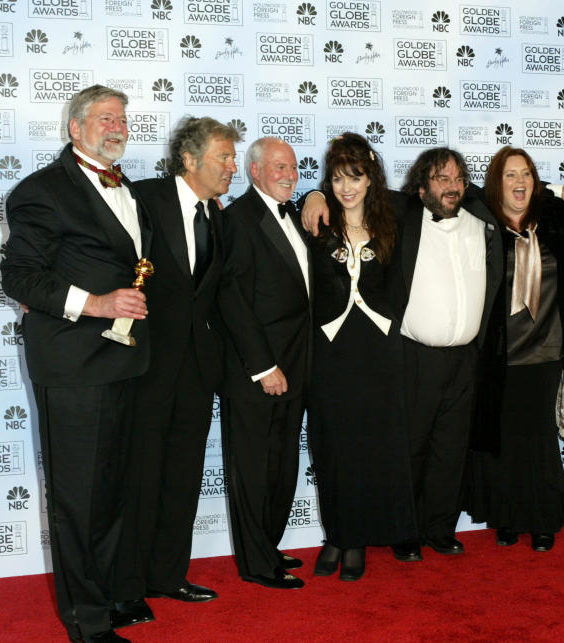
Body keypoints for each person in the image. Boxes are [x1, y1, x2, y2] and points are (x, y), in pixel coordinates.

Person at [301, 149, 564, 560]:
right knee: (411, 447)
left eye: (456, 179)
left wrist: (556, 188)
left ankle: (440, 528)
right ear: (421, 185)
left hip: (469, 358)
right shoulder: (404, 211)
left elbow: (514, 188)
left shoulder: (478, 212)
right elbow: (356, 193)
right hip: (416, 354)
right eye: (440, 179)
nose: (450, 186)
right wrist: (316, 194)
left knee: (451, 450)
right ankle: (406, 531)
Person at [1, 84, 150, 643]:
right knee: (78, 499)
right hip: (73, 367)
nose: (117, 126)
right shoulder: (41, 191)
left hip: (124, 364)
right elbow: (18, 276)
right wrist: (95, 304)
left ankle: (107, 597)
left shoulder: (127, 187)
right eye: (105, 117)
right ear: (76, 127)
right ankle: (86, 621)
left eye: (123, 118)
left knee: (111, 493)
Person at [114, 117, 241, 618]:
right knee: (138, 478)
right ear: (190, 160)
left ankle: (168, 575)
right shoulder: (142, 197)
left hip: (195, 370)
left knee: (183, 477)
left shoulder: (220, 216)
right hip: (143, 366)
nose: (232, 167)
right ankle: (126, 587)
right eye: (224, 158)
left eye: (233, 158)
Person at [305, 133, 418, 581]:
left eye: (355, 176)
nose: (345, 187)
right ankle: (338, 534)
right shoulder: (315, 221)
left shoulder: (396, 217)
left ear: (371, 177)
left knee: (373, 445)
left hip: (378, 349)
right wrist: (312, 193)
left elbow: (458, 191)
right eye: (336, 178)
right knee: (333, 446)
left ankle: (360, 538)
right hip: (330, 350)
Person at [466, 146, 564, 552]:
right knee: (504, 435)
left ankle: (541, 518)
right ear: (495, 184)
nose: (519, 183)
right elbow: (462, 192)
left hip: (549, 348)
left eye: (527, 175)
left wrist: (557, 188)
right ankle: (507, 516)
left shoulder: (553, 220)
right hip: (502, 351)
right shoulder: (483, 221)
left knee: (538, 435)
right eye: (509, 176)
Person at [217, 137, 308, 589]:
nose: (289, 174)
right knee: (252, 466)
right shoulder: (238, 219)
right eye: (278, 167)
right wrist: (262, 366)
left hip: (297, 364)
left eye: (292, 167)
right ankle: (255, 563)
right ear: (254, 171)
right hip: (259, 370)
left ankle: (268, 546)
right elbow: (231, 300)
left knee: (281, 462)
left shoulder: (294, 215)